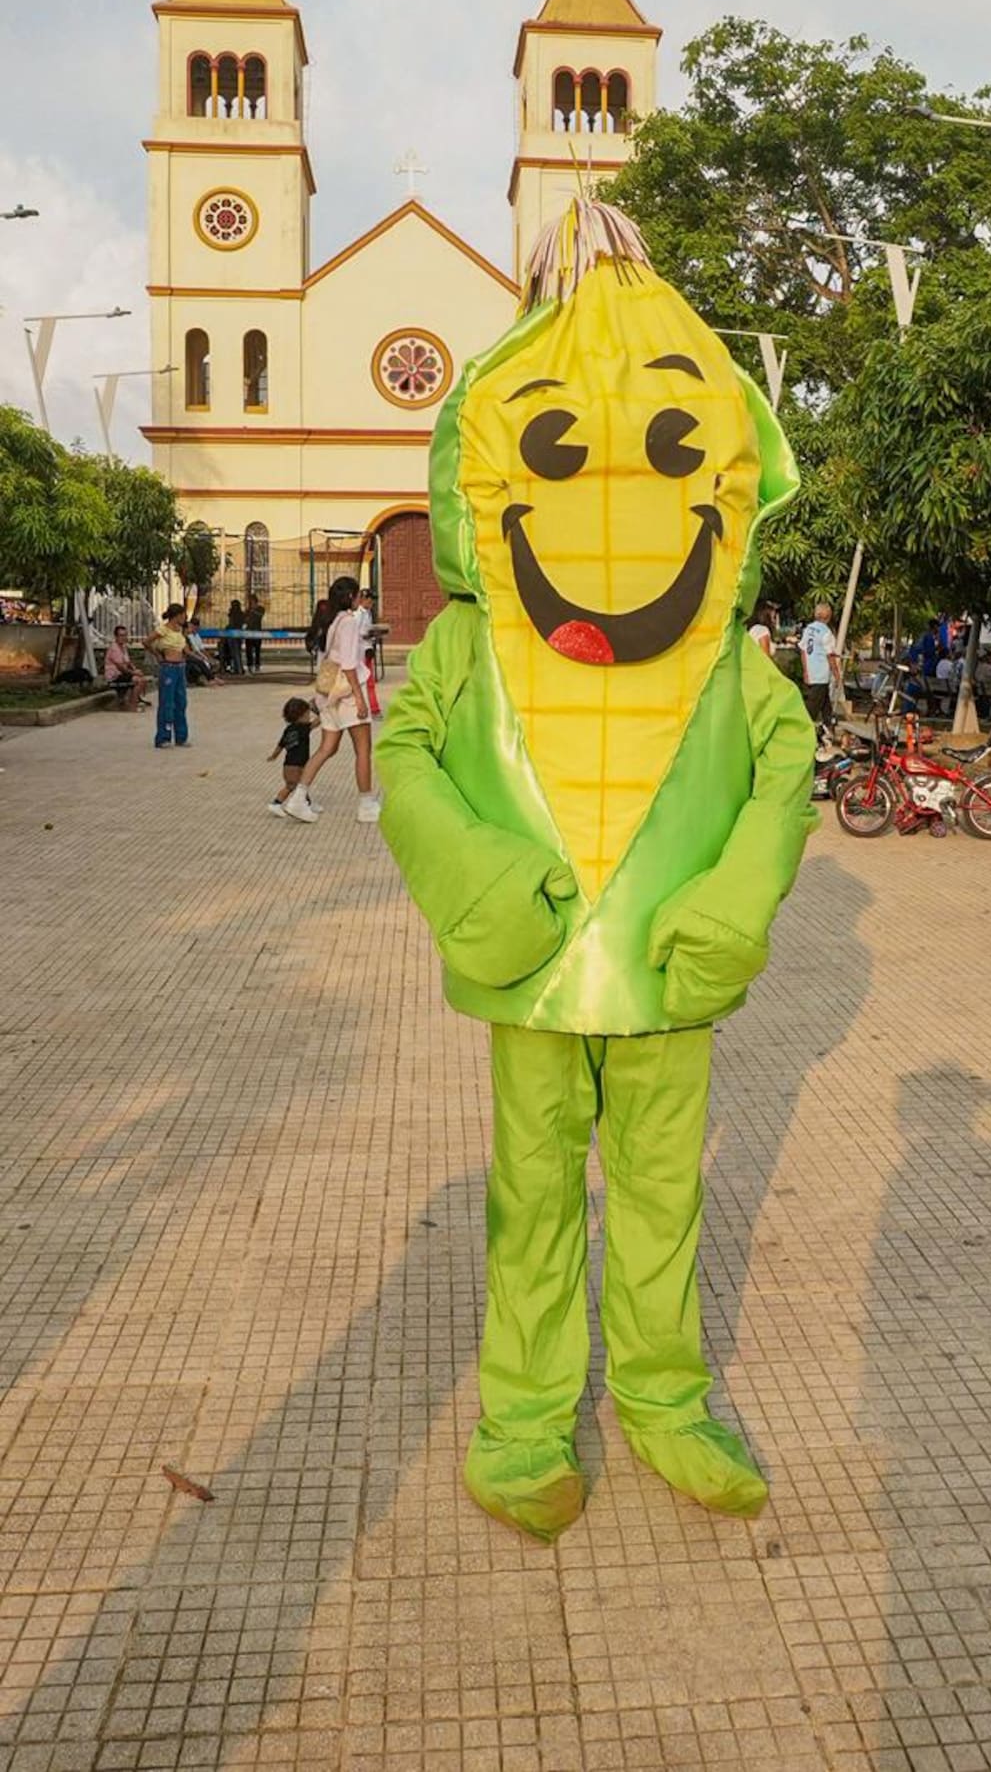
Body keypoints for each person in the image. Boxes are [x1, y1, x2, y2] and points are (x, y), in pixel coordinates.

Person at [377, 195, 816, 1543]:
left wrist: (731, 902)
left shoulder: (727, 653)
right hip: (539, 963)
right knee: (532, 1196)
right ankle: (523, 1418)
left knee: (666, 1192)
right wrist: (478, 882)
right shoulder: (470, 641)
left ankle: (664, 1399)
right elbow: (406, 751)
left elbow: (785, 763)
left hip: (667, 963)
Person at [284, 577, 380, 822]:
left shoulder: (333, 620)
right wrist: (360, 699)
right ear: (350, 597)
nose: (360, 598)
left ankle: (298, 798)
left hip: (329, 693)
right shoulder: (348, 622)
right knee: (363, 749)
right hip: (347, 693)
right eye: (358, 594)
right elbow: (348, 664)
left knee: (327, 748)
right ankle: (366, 804)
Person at [146, 603, 190, 748]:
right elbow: (147, 642)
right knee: (167, 703)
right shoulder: (163, 630)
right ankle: (163, 737)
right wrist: (157, 655)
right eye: (183, 615)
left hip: (180, 667)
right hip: (169, 667)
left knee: (181, 702)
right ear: (176, 616)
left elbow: (185, 649)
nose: (184, 618)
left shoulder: (180, 631)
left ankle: (181, 736)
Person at [267, 697, 319, 815]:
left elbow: (280, 745)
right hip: (296, 766)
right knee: (292, 786)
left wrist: (274, 756)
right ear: (300, 716)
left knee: (301, 785)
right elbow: (317, 722)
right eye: (307, 714)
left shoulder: (288, 729)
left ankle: (308, 804)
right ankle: (276, 803)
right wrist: (320, 710)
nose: (309, 717)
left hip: (289, 764)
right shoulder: (304, 728)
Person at [799, 600, 841, 724]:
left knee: (825, 704)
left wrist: (805, 671)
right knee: (812, 707)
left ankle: (829, 725)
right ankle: (803, 728)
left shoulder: (808, 629)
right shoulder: (826, 633)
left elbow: (803, 650)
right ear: (829, 616)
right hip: (820, 675)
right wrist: (837, 675)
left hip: (810, 672)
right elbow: (830, 657)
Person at [103, 625, 147, 711]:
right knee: (137, 680)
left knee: (142, 678)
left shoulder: (123, 647)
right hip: (115, 676)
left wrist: (135, 669)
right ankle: (132, 706)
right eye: (121, 635)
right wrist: (134, 673)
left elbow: (128, 662)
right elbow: (121, 667)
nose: (123, 638)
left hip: (122, 674)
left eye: (125, 635)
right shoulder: (114, 648)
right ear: (116, 636)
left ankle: (134, 701)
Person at [356, 587, 383, 715]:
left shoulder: (368, 613)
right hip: (360, 651)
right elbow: (355, 632)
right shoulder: (358, 614)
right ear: (363, 599)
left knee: (369, 681)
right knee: (365, 681)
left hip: (368, 648)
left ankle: (373, 707)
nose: (371, 602)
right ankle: (371, 708)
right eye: (369, 600)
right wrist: (367, 635)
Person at [222, 599, 245, 677]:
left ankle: (238, 669)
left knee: (235, 653)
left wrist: (228, 629)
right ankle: (238, 668)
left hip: (233, 635)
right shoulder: (240, 614)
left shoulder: (234, 614)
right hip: (237, 635)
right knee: (236, 653)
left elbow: (232, 625)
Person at [244, 594, 265, 674]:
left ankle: (257, 665)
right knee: (248, 650)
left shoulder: (260, 609)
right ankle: (250, 665)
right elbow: (245, 619)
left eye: (251, 601)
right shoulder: (248, 610)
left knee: (257, 650)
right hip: (249, 632)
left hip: (257, 632)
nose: (250, 603)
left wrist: (253, 611)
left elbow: (260, 616)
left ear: (255, 601)